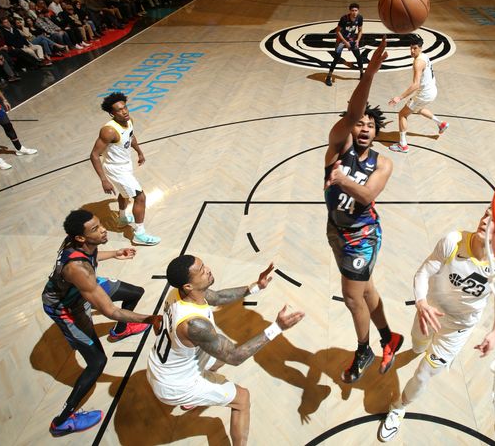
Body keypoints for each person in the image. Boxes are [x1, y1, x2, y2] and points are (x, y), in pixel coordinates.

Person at [379, 205, 495, 442]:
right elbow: (423, 273)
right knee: (417, 345)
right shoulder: (454, 241)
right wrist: (422, 303)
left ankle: (399, 406)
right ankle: (419, 347)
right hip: (430, 311)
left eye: (494, 220)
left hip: (458, 328)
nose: (485, 220)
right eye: (487, 213)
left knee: (424, 374)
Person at [147, 255, 305, 446]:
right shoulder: (195, 324)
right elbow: (236, 357)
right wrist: (277, 327)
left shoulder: (178, 293)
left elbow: (219, 297)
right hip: (175, 384)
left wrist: (256, 287)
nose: (208, 269)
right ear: (188, 286)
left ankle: (193, 399)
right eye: (201, 270)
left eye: (203, 265)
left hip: (162, 364)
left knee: (218, 358)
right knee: (242, 398)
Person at [324, 37, 404, 383]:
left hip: (364, 235)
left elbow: (368, 196)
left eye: (371, 125)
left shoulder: (383, 163)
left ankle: (364, 349)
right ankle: (390, 337)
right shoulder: (337, 147)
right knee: (367, 289)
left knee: (353, 298)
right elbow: (354, 110)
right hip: (335, 230)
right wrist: (369, 72)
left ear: (376, 132)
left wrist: (342, 182)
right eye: (360, 123)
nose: (364, 127)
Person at [42, 209, 161, 437]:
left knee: (135, 292)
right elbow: (110, 310)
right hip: (66, 308)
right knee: (97, 362)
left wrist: (115, 253)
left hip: (85, 286)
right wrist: (151, 318)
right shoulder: (76, 269)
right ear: (80, 237)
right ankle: (63, 421)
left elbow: (91, 256)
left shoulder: (82, 246)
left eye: (99, 224)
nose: (103, 229)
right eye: (95, 229)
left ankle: (120, 332)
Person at [90, 92, 160, 245]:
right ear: (112, 113)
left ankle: (122, 218)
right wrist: (104, 180)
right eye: (119, 110)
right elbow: (94, 155)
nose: (125, 111)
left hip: (125, 164)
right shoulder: (109, 131)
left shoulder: (129, 121)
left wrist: (139, 152)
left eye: (125, 107)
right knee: (140, 197)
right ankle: (139, 234)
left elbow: (131, 137)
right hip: (115, 169)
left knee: (124, 192)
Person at [387, 35, 448, 153]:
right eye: (410, 48)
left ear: (420, 48)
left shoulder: (418, 63)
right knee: (418, 109)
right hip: (432, 91)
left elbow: (415, 85)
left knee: (402, 115)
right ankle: (441, 124)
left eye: (414, 48)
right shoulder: (424, 56)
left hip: (424, 94)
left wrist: (398, 98)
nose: (412, 51)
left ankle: (403, 145)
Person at [325, 2, 364, 87]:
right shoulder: (344, 19)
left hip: (352, 39)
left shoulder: (360, 18)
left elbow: (360, 30)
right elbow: (338, 31)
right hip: (341, 40)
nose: (354, 12)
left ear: (358, 11)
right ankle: (329, 76)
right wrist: (345, 42)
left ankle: (362, 74)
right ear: (350, 11)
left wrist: (357, 40)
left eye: (356, 10)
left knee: (358, 56)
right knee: (336, 58)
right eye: (352, 10)